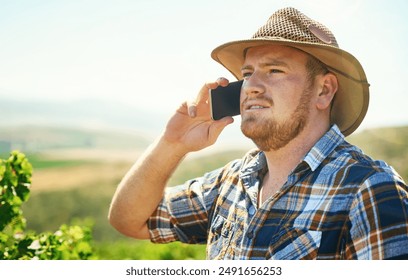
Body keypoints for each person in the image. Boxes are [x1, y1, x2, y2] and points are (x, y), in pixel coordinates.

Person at [108, 7, 408, 260]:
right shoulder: (231, 182)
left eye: (274, 70)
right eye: (248, 73)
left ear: (324, 90)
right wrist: (172, 144)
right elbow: (130, 220)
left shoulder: (369, 188)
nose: (250, 86)